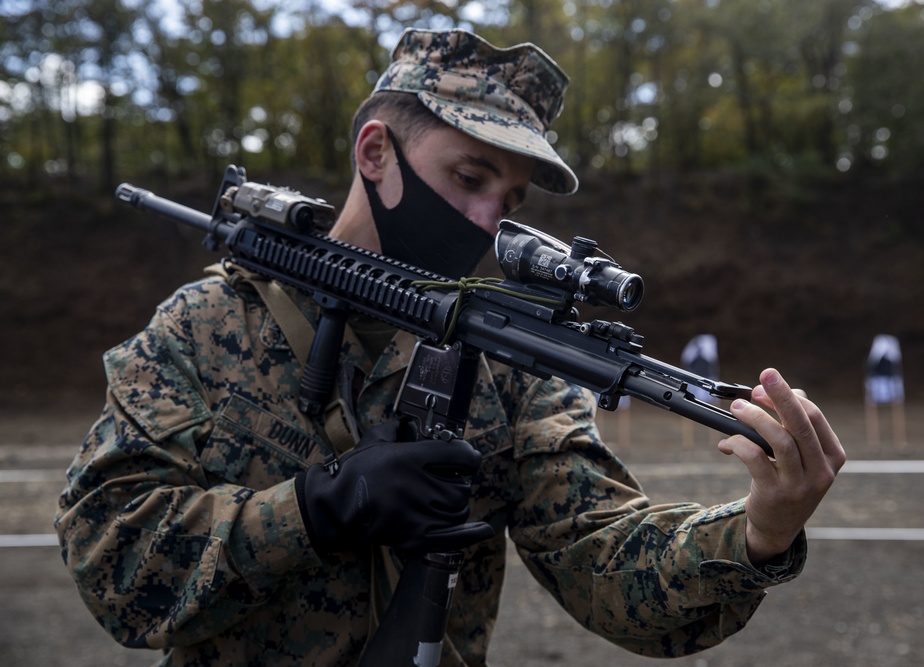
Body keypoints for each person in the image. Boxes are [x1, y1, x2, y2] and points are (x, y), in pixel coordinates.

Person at [55, 28, 845, 666]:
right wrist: (315, 508)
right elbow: (112, 563)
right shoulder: (201, 327)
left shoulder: (509, 356)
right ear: (375, 154)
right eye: (469, 175)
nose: (484, 218)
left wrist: (756, 533)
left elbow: (601, 560)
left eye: (509, 200)